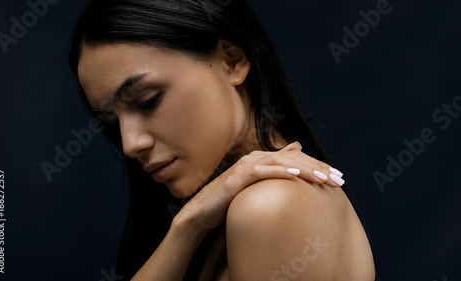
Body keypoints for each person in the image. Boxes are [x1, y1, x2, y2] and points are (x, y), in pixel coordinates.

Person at [68, 0, 376, 280]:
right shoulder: (219, 217)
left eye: (148, 100)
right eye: (111, 121)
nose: (130, 144)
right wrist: (188, 225)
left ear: (232, 60)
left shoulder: (272, 205)